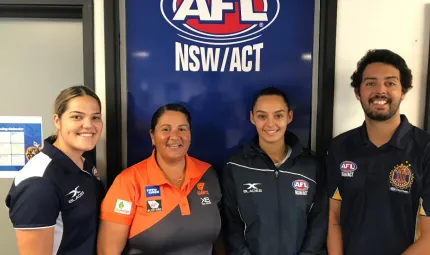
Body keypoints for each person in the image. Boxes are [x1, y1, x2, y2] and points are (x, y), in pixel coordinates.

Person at [326, 49, 430, 255]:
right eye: (371, 83)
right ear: (358, 92)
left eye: (390, 83)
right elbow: (333, 220)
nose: (380, 91)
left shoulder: (425, 149)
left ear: (403, 91)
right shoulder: (340, 147)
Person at [97, 103, 222, 255]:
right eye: (166, 129)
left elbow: (219, 239)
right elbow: (108, 251)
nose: (175, 136)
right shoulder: (128, 181)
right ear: (152, 136)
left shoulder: (207, 173)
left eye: (182, 129)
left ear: (190, 135)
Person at [221, 86, 328, 255]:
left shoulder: (311, 166)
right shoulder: (235, 166)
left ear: (289, 117)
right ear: (252, 118)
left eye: (278, 116)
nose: (270, 124)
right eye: (262, 116)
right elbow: (231, 223)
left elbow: (319, 222)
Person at [5, 85, 105, 255]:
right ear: (57, 121)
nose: (88, 125)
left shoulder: (84, 162)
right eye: (77, 117)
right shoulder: (38, 182)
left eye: (95, 117)